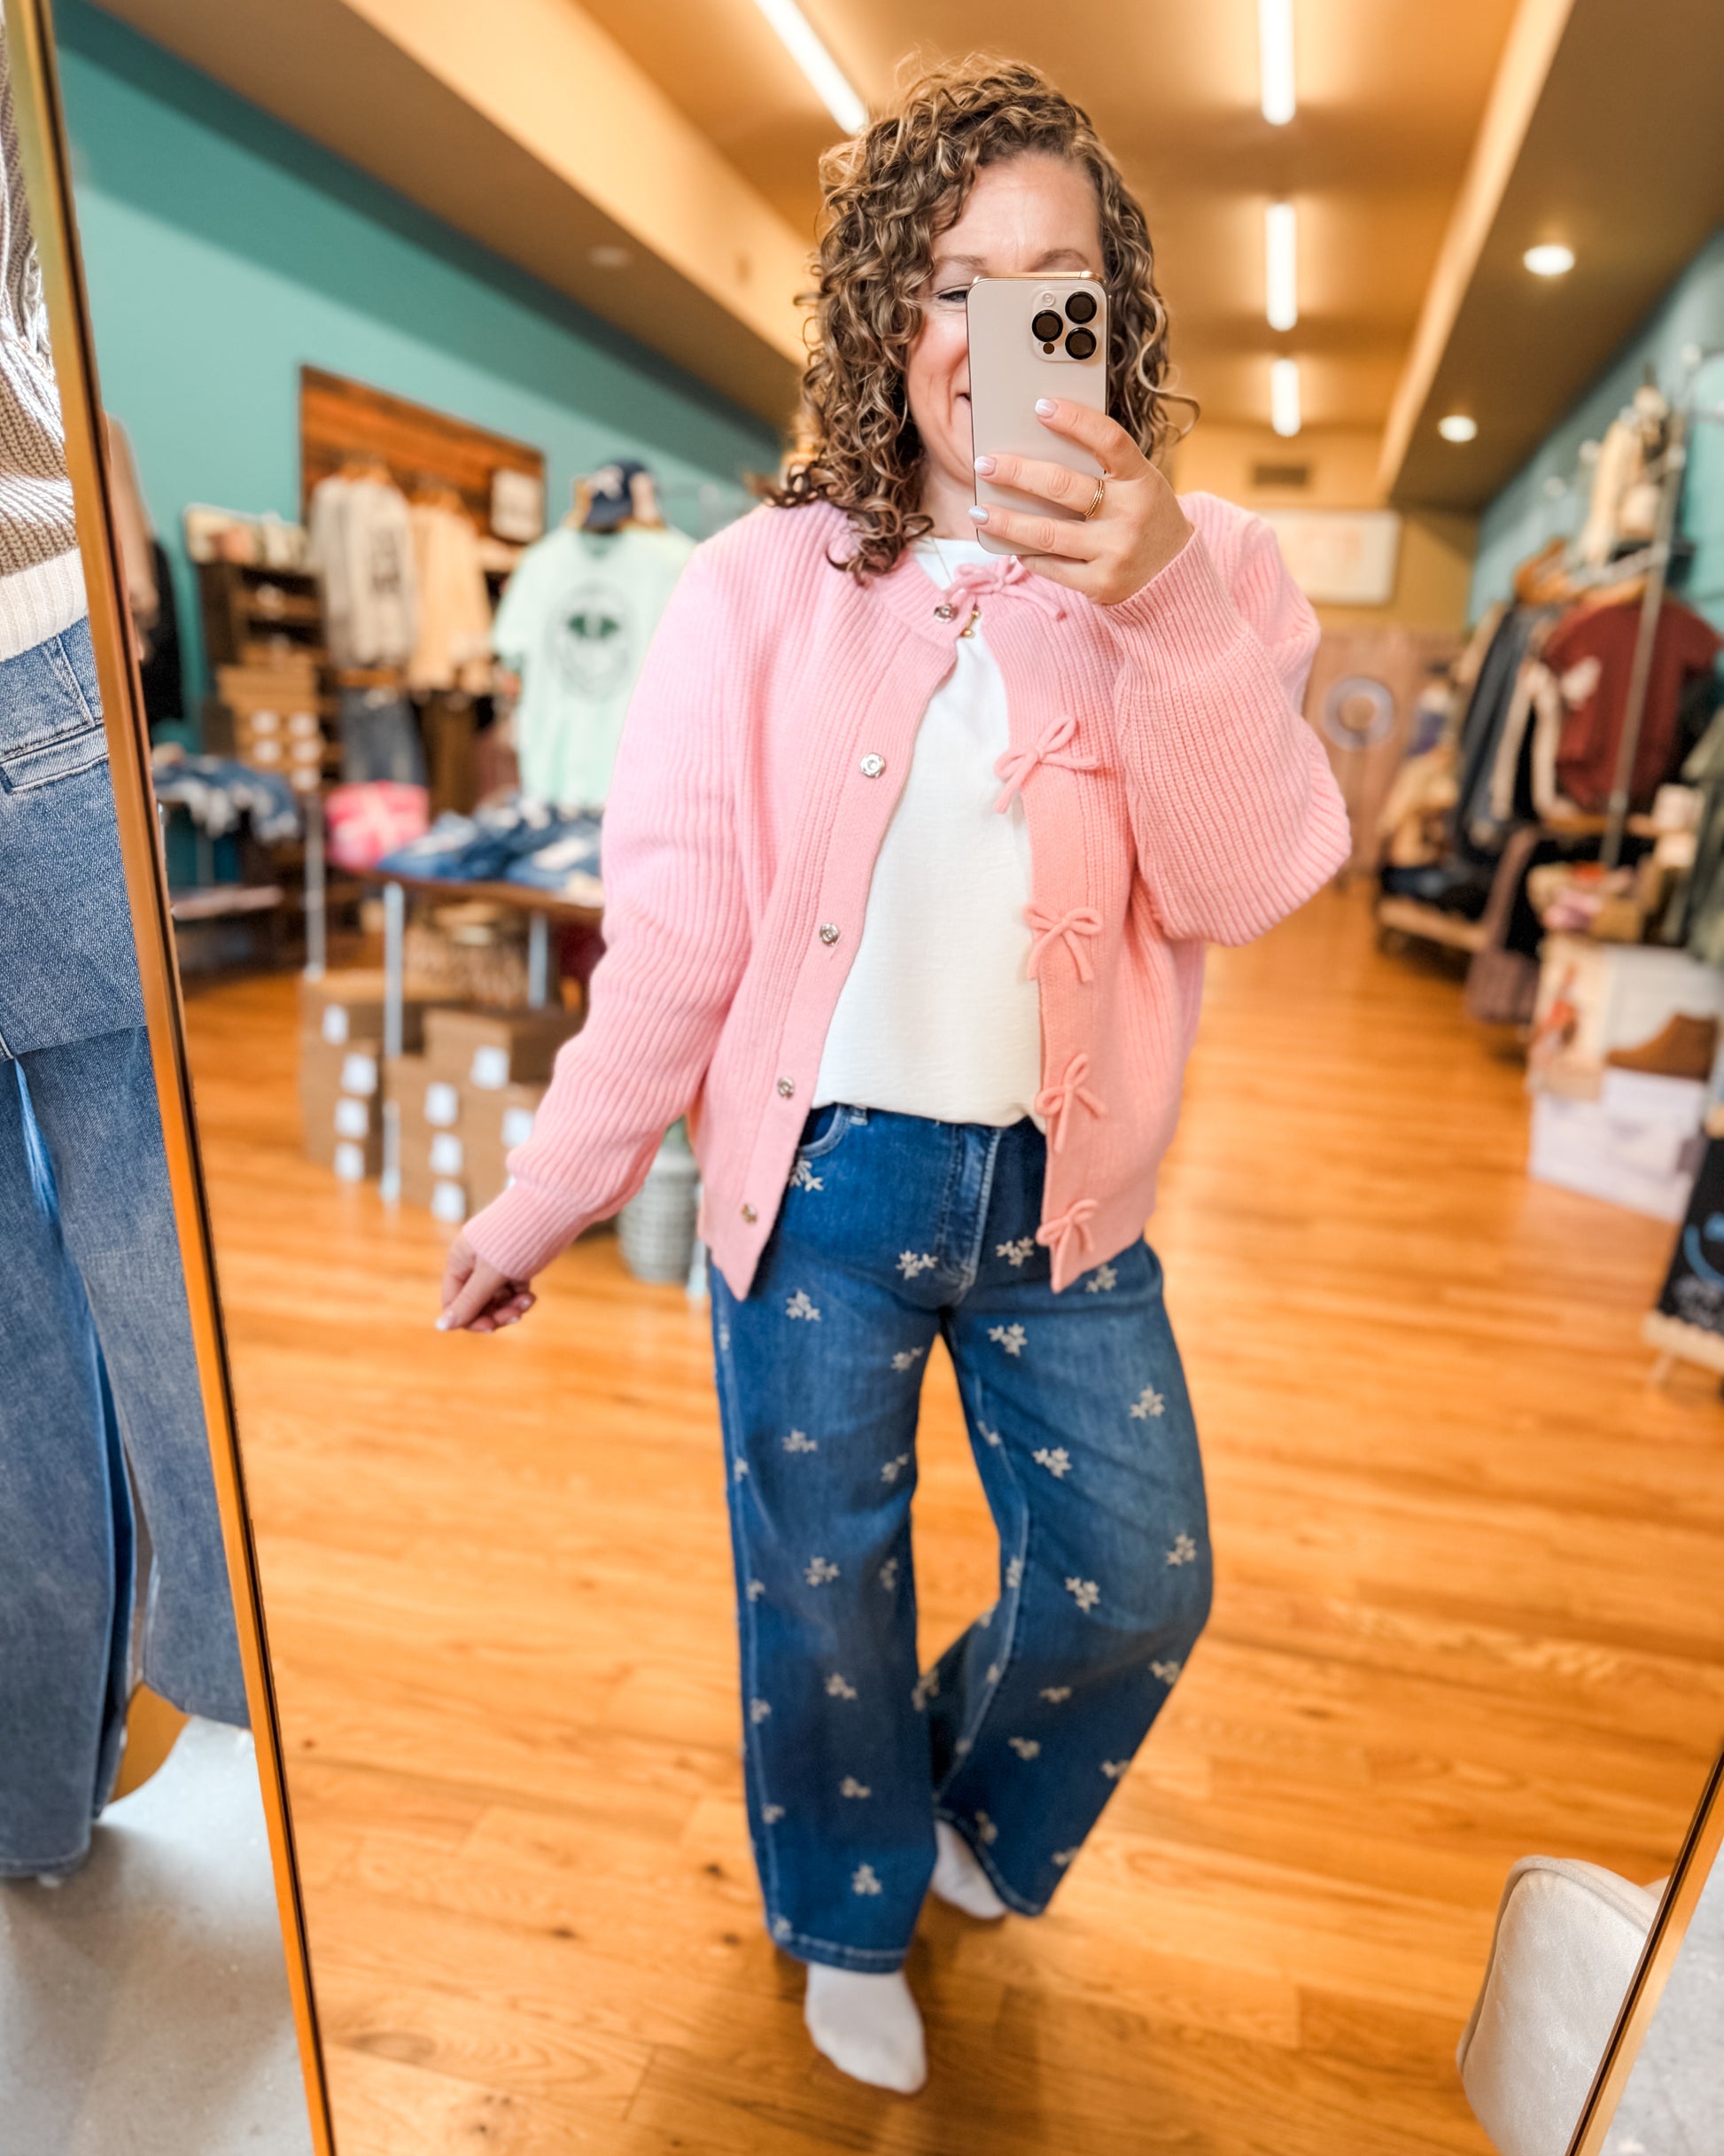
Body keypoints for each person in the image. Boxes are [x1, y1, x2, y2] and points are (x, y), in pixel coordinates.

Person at [439, 56, 1348, 2093]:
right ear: (882, 314)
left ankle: (962, 1812)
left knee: (1143, 1567)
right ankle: (845, 1896)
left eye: (1053, 286)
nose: (991, 334)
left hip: (1066, 1203)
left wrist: (1157, 602)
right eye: (950, 282)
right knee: (820, 1581)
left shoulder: (1210, 575)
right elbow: (670, 946)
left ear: (1110, 321)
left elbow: (1254, 876)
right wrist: (544, 1191)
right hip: (818, 1194)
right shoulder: (753, 589)